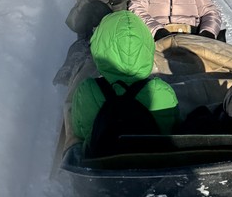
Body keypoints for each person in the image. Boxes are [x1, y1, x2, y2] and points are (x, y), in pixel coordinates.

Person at [70, 11, 179, 146]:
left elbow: (78, 131)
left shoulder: (87, 90)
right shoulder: (162, 90)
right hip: (152, 163)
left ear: (100, 45)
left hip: (101, 163)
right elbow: (173, 128)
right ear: (147, 46)